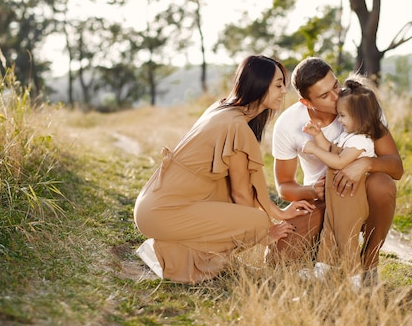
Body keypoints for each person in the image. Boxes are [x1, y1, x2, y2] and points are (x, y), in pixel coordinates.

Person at [133, 55, 315, 284]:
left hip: (154, 204)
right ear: (259, 85)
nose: (283, 92)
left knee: (228, 192)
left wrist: (278, 213)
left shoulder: (222, 108)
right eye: (278, 85)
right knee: (255, 221)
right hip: (163, 211)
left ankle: (175, 251)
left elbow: (243, 186)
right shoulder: (236, 126)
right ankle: (167, 255)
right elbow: (241, 195)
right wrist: (265, 232)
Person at [271, 57, 403, 285]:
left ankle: (369, 261)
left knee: (382, 184)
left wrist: (367, 164)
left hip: (360, 194)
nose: (336, 97)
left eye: (335, 85)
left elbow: (396, 167)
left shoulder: (361, 105)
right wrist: (312, 191)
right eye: (324, 96)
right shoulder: (289, 123)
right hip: (322, 201)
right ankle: (320, 254)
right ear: (306, 102)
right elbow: (284, 186)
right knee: (277, 259)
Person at [301, 77, 389, 282]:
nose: (339, 120)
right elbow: (330, 150)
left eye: (342, 116)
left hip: (349, 199)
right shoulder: (348, 136)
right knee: (329, 234)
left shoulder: (361, 141)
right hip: (337, 198)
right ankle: (322, 271)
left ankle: (355, 278)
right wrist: (317, 135)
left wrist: (313, 149)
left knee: (345, 238)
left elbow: (339, 162)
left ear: (359, 118)